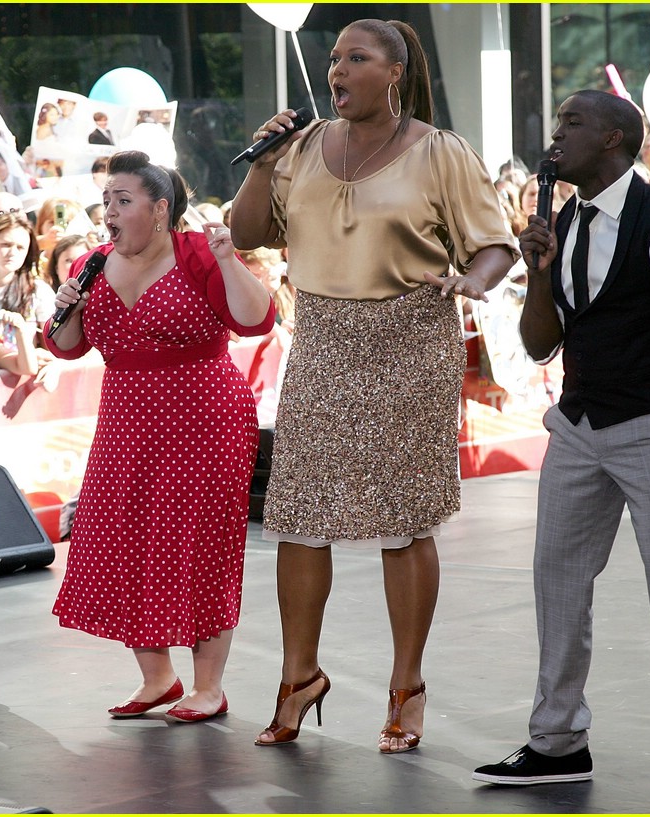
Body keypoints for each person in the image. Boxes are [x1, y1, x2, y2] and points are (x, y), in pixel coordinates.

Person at [229, 18, 518, 754]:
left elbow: (493, 245)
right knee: (298, 513)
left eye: (356, 58)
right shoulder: (296, 148)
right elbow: (247, 232)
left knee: (402, 519)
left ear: (394, 72)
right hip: (324, 340)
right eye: (333, 58)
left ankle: (406, 684)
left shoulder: (441, 152)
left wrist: (472, 280)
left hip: (411, 339)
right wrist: (261, 161)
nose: (337, 69)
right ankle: (298, 679)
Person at [470, 89, 650, 814]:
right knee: (556, 576)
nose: (555, 133)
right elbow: (539, 344)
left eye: (572, 123)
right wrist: (537, 270)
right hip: (577, 424)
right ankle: (557, 742)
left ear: (615, 140)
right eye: (557, 120)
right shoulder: (565, 218)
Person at [44, 150, 275, 723]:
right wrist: (67, 308)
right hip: (126, 422)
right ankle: (158, 677)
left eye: (123, 200)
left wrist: (230, 261)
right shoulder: (93, 264)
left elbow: (256, 319)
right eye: (106, 202)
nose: (110, 212)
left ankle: (209, 686)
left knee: (197, 546)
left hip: (203, 419)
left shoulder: (197, 253)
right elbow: (67, 345)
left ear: (160, 207)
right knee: (120, 540)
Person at [0, 210, 55, 353]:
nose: (12, 252)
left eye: (20, 247)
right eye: (6, 245)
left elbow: (54, 345)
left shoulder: (38, 291)